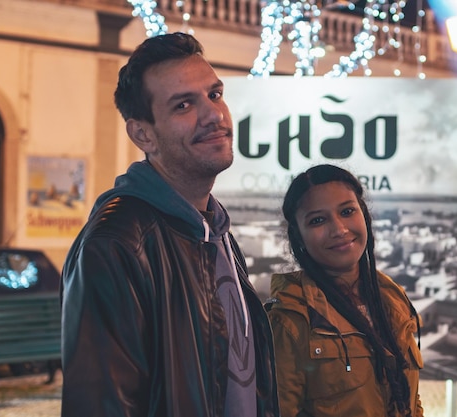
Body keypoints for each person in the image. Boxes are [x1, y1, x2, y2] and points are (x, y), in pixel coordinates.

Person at [60, 32, 279, 417]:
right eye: (183, 105)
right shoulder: (118, 244)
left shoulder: (213, 228)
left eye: (214, 94)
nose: (214, 115)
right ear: (143, 134)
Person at [267, 164, 423, 417]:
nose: (339, 230)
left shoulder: (392, 300)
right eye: (318, 220)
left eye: (347, 211)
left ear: (364, 215)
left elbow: (411, 402)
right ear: (299, 237)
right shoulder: (290, 319)